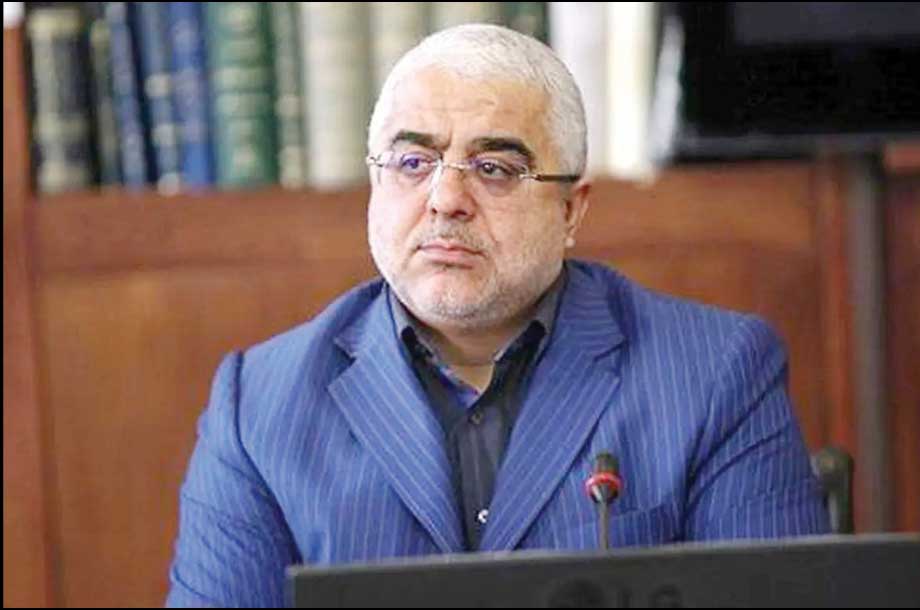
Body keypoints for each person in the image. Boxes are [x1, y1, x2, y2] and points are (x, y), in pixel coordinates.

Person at [166, 24, 830, 607]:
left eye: (493, 168)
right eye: (412, 162)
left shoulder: (715, 373)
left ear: (570, 210)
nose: (445, 199)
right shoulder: (259, 406)